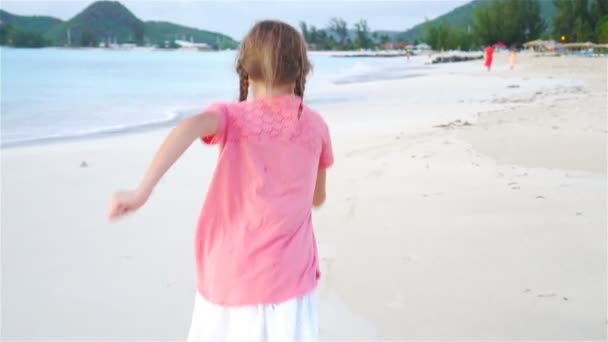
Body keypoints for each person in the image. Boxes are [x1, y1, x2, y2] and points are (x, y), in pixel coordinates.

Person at [107, 20, 333, 341]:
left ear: (245, 71)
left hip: (231, 275)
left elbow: (186, 128)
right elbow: (317, 197)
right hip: (289, 280)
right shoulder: (316, 127)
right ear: (303, 70)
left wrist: (142, 191)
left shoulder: (232, 117)